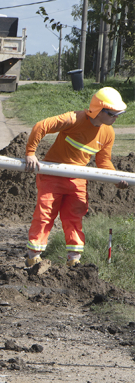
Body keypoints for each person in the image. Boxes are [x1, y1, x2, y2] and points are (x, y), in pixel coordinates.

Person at [23, 86, 129, 268]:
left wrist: (115, 178)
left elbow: (104, 161)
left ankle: (74, 260)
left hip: (78, 179)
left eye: (118, 114)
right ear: (99, 110)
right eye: (112, 113)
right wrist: (30, 153)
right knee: (45, 214)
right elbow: (42, 126)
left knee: (74, 217)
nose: (115, 118)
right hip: (52, 175)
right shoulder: (74, 119)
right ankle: (34, 257)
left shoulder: (108, 133)